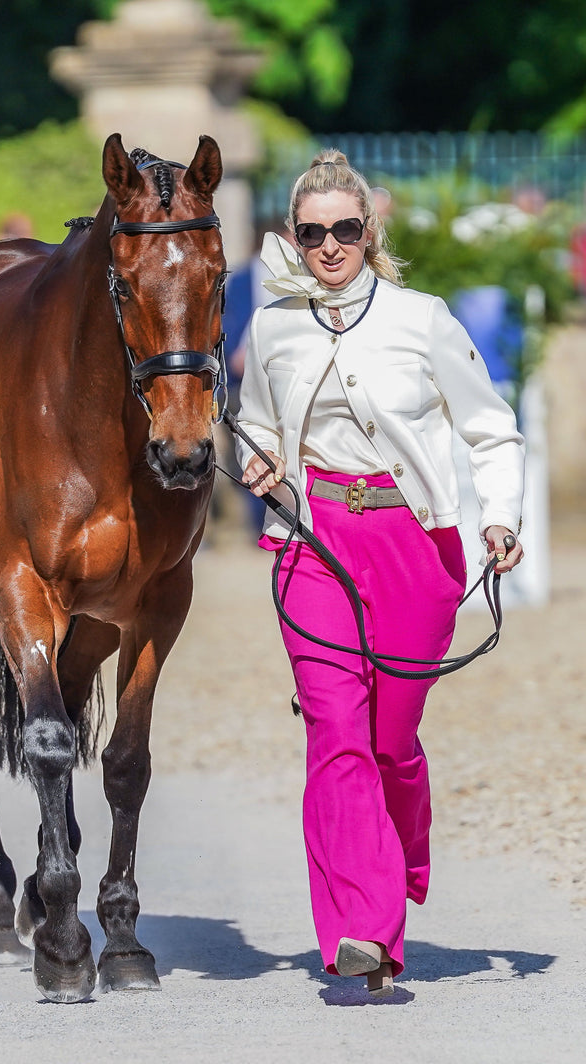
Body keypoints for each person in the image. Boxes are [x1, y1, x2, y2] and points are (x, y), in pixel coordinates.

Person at [235, 149, 525, 998]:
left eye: (346, 230)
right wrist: (261, 465)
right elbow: (254, 427)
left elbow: (493, 431)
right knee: (335, 732)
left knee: (390, 743)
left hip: (413, 545)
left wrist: (500, 517)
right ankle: (364, 930)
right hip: (314, 541)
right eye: (313, 231)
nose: (330, 246)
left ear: (370, 232)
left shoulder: (422, 318)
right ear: (294, 236)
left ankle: (399, 855)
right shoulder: (275, 325)